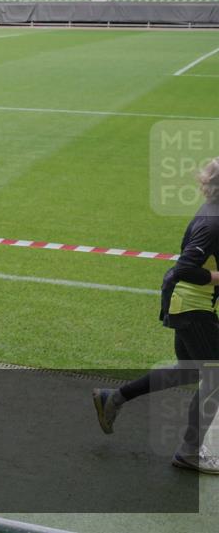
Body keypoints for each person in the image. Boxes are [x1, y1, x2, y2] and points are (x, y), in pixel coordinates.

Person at [92, 157, 219, 475]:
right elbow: (186, 268)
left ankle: (114, 398)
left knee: (189, 372)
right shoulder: (212, 222)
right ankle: (189, 451)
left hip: (190, 306)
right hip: (193, 308)